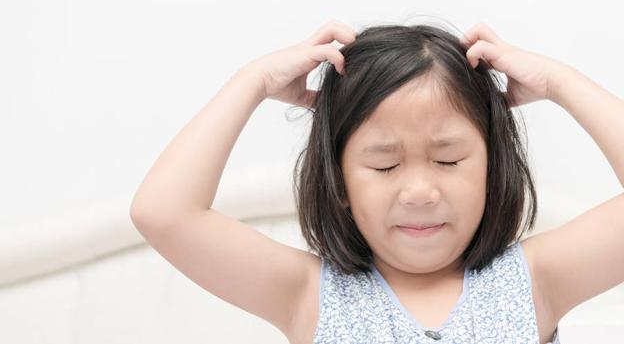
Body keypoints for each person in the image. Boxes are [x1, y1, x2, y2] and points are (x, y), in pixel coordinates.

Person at [129, 19, 624, 344]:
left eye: (448, 160)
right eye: (385, 167)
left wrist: (558, 83)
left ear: (492, 171)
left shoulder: (533, 281)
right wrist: (253, 81)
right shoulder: (308, 293)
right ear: (339, 183)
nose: (418, 192)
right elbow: (163, 213)